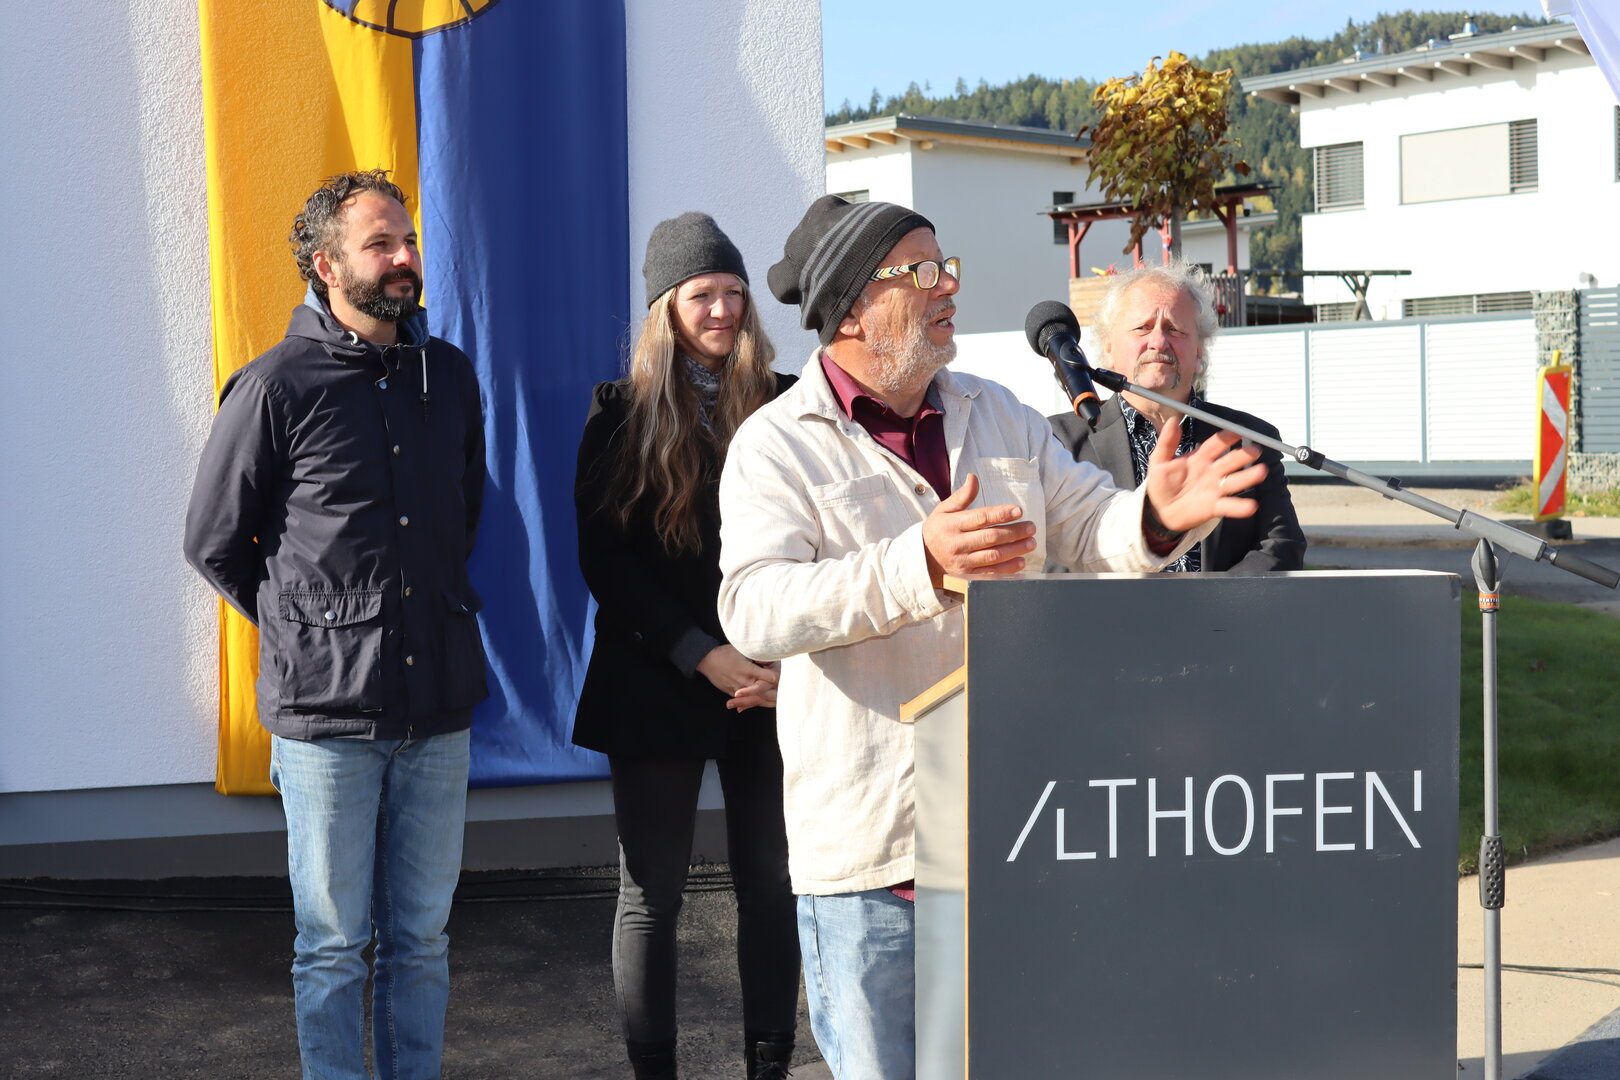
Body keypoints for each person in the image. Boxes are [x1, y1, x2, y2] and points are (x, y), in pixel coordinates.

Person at [714, 195, 1267, 1079]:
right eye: (923, 272)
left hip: (1014, 832)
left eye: (949, 267)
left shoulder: (999, 413)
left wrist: (1157, 519)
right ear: (852, 309)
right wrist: (919, 565)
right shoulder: (778, 444)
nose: (949, 288)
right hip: (875, 859)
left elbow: (1091, 531)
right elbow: (754, 608)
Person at [184, 170, 488, 1080]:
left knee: (422, 938)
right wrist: (306, 630)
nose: (403, 259)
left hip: (438, 709)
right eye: (379, 244)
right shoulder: (275, 385)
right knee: (331, 944)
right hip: (327, 721)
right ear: (326, 265)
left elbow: (463, 519)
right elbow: (214, 542)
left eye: (408, 240)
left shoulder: (448, 374)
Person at [572, 212, 800, 1080]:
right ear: (665, 308)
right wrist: (699, 651)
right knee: (651, 894)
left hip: (768, 684)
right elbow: (605, 559)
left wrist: (780, 662)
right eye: (703, 294)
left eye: (735, 292)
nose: (724, 310)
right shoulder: (620, 415)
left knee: (771, 884)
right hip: (655, 679)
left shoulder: (786, 403)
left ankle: (769, 1065)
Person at [1048, 263, 1305, 573]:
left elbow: (1281, 547)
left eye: (1175, 329)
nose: (1158, 341)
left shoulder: (1250, 438)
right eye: (1142, 328)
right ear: (1109, 347)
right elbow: (1051, 561)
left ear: (1199, 351)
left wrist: (1212, 602)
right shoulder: (1058, 441)